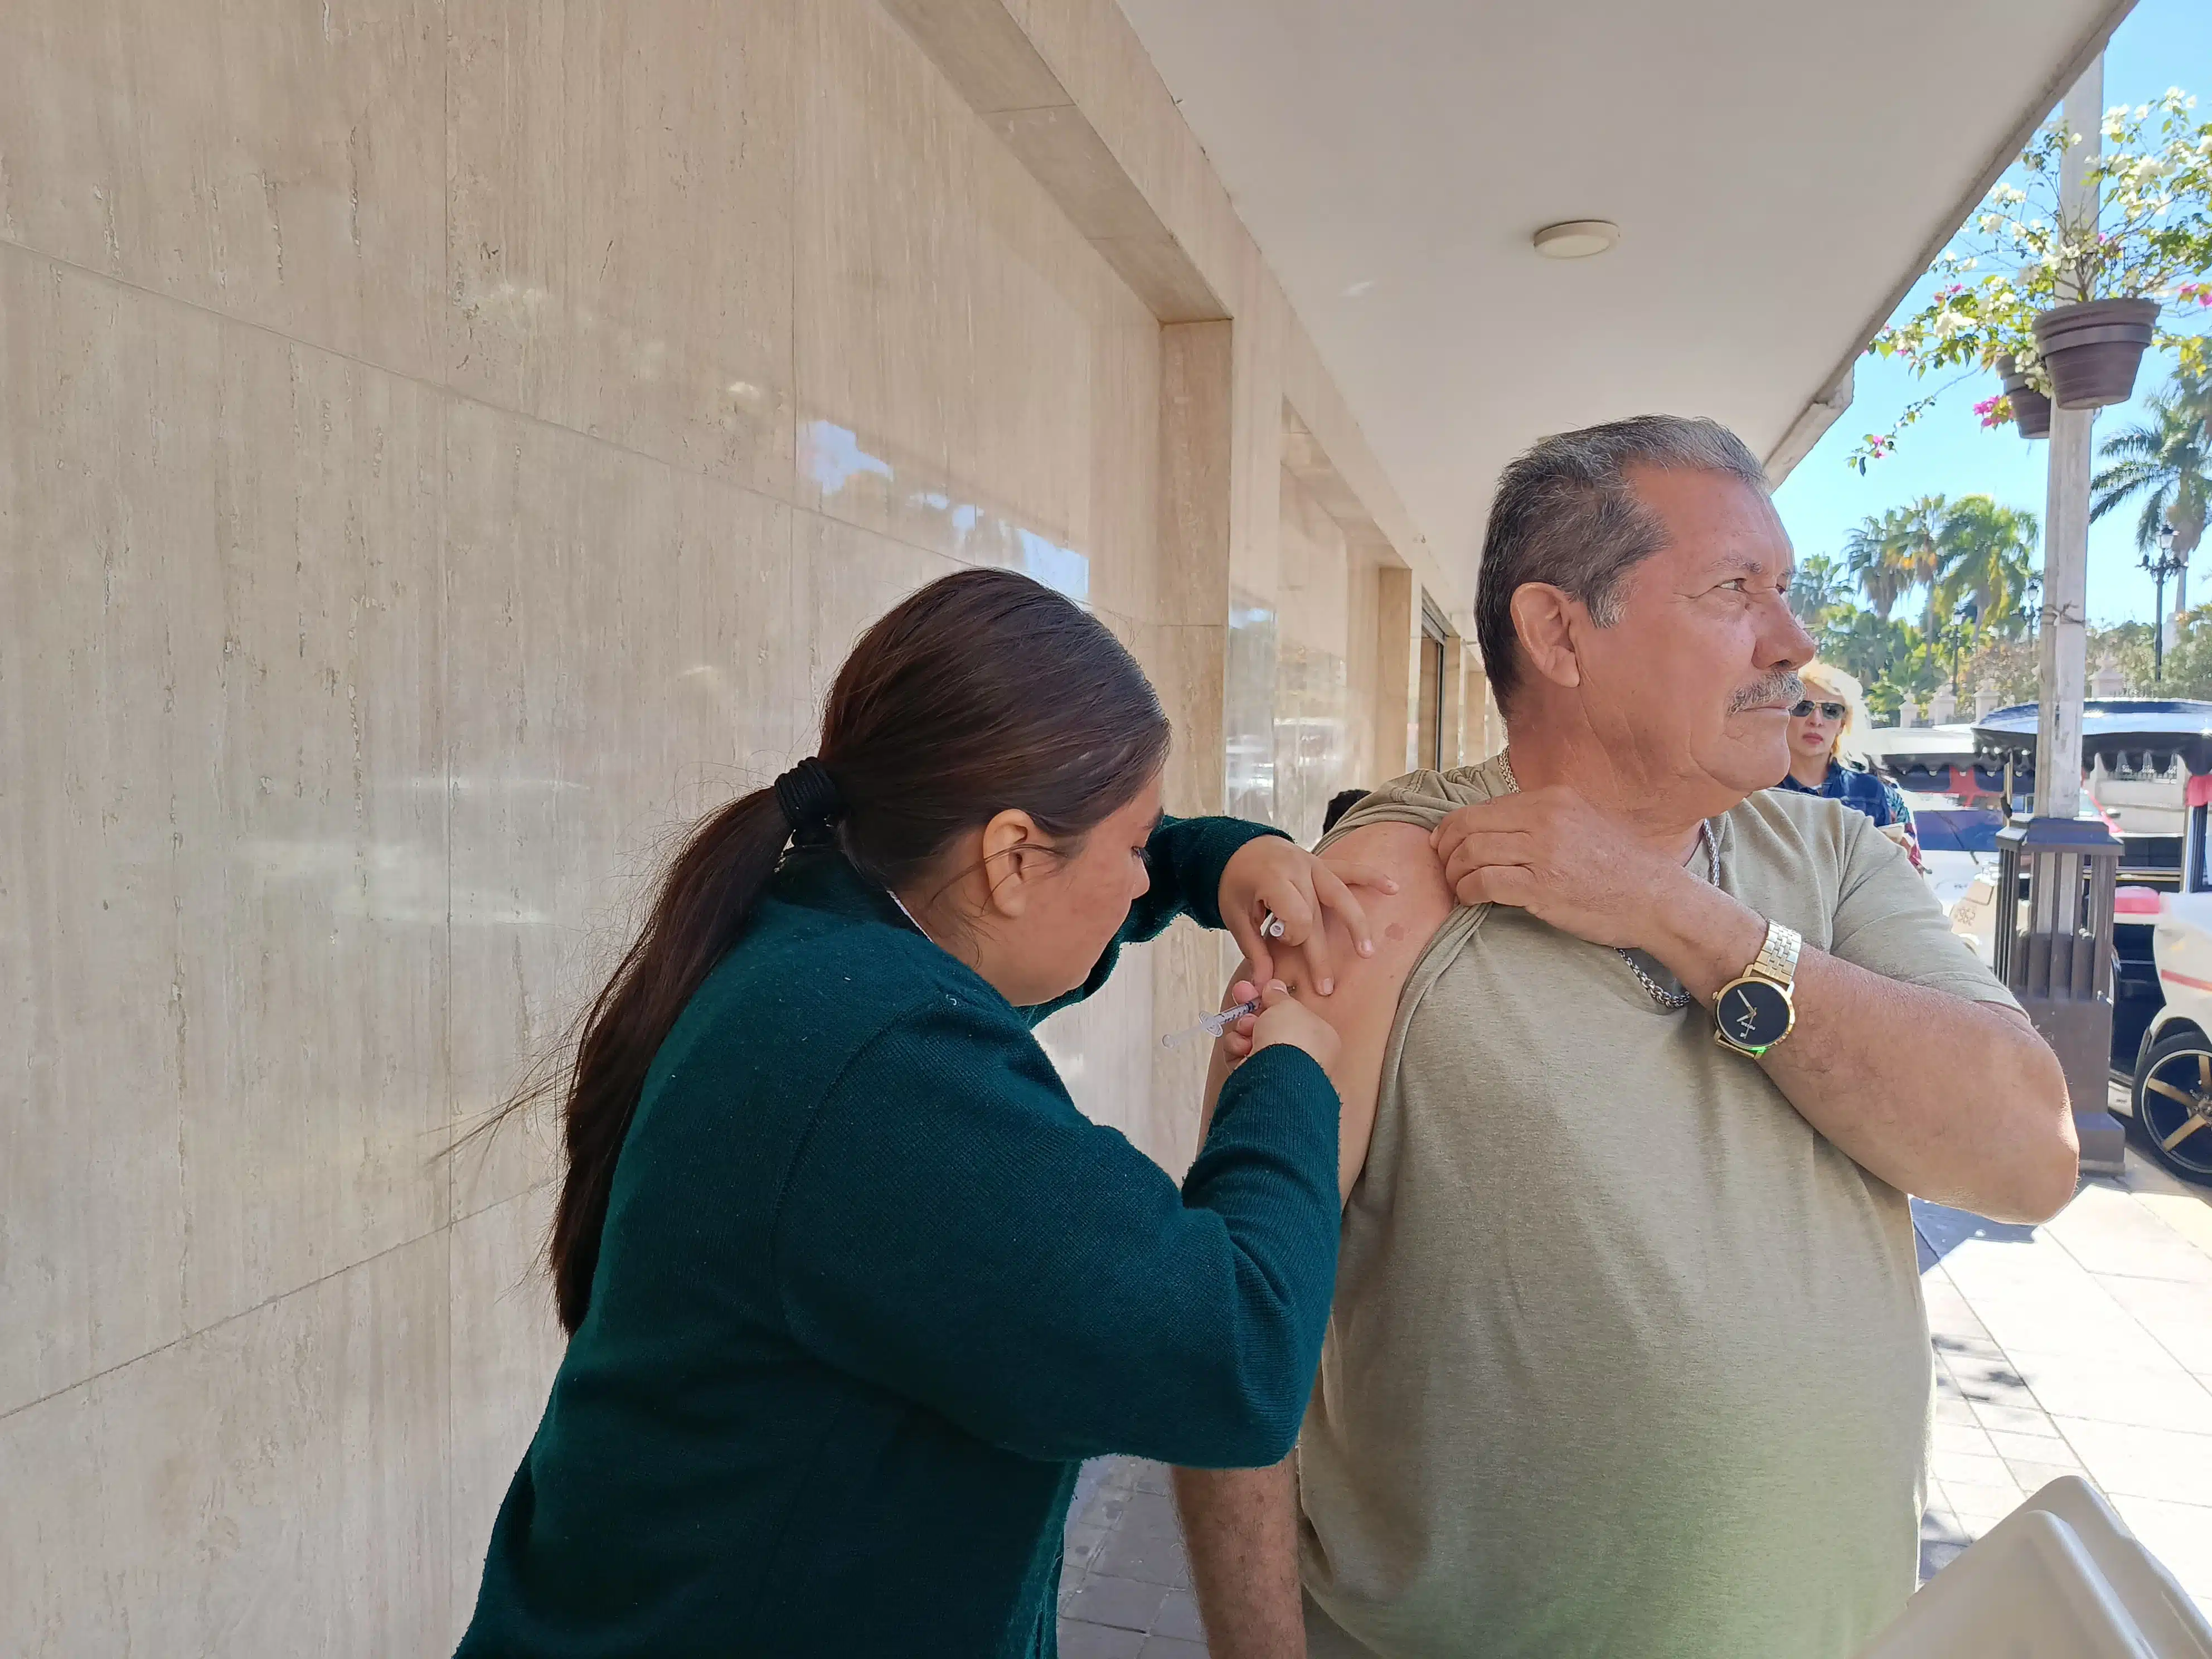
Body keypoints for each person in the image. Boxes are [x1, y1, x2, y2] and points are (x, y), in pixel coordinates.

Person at [1172, 416, 2078, 1659]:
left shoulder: (1836, 858)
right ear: (1558, 634)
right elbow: (1224, 1325)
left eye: (1787, 591)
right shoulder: (1389, 882)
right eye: (1733, 592)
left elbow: (2029, 1154)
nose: (1794, 643)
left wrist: (1678, 916)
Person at [454, 568, 1395, 1658]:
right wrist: (1287, 1074)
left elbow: (1032, 941)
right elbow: (1235, 1358)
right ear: (1008, 855)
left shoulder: (820, 931)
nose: (1143, 883)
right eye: (1135, 847)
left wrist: (1212, 859)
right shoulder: (875, 1066)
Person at [1779, 659, 1924, 870]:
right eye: (1803, 707)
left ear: (1842, 725)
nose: (1816, 720)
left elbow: (1903, 880)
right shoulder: (1758, 792)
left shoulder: (1872, 793)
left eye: (1831, 711)